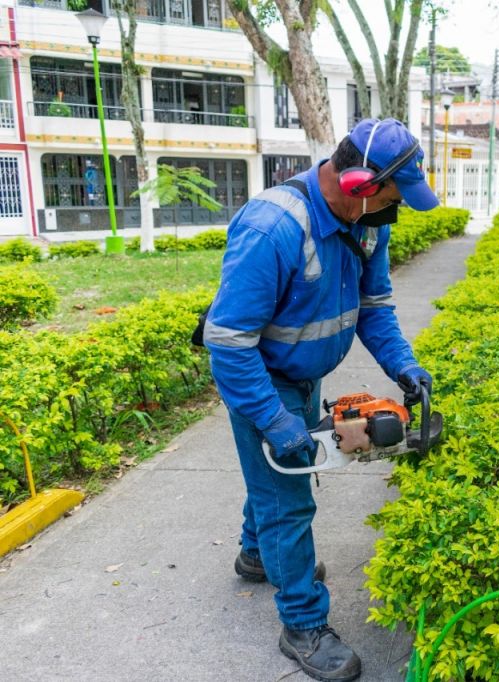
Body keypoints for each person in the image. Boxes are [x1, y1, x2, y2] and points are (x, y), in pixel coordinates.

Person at [203, 118, 437, 681]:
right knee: (290, 500)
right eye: (394, 195)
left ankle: (256, 555)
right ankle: (303, 624)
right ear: (360, 183)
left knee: (277, 479)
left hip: (304, 378)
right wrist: (272, 417)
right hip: (261, 377)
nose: (397, 209)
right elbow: (230, 344)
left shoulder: (368, 225)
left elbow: (375, 308)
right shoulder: (273, 227)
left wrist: (403, 366)